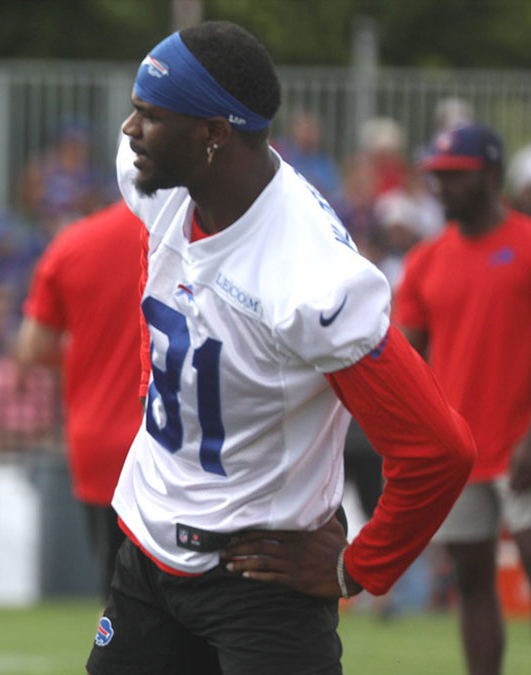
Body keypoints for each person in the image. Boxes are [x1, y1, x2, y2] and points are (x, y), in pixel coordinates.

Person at [87, 22, 476, 674]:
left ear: (214, 133)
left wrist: (360, 565)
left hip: (259, 583)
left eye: (151, 116)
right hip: (147, 554)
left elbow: (438, 447)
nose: (129, 131)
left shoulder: (308, 277)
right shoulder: (158, 182)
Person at [395, 123, 531, 675]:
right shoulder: (425, 261)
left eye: (456, 177)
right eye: (436, 178)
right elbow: (408, 365)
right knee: (472, 584)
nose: (442, 188)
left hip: (523, 445)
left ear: (492, 175)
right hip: (461, 454)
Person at [16, 201, 146, 593]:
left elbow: (33, 346)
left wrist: (89, 353)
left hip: (101, 437)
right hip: (181, 441)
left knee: (121, 594)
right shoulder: (204, 232)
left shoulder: (75, 242)